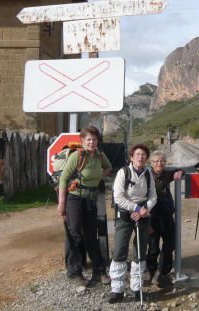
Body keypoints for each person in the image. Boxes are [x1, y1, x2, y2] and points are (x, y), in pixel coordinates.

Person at [57, 126, 112, 287]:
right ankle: (74, 272)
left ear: (98, 141)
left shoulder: (100, 156)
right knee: (74, 233)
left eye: (94, 139)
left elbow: (108, 167)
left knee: (90, 235)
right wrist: (62, 203)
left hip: (91, 201)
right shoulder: (77, 156)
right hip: (75, 199)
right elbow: (63, 178)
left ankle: (99, 270)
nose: (92, 142)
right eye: (88, 139)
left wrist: (98, 177)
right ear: (82, 141)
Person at [108, 144, 157, 303]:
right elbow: (118, 197)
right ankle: (117, 290)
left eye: (143, 154)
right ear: (131, 157)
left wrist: (144, 210)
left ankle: (137, 288)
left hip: (142, 215)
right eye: (137, 154)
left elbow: (153, 196)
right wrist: (135, 208)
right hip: (124, 215)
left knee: (140, 251)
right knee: (119, 251)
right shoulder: (124, 172)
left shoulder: (148, 173)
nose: (141, 157)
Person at [146, 150, 184, 287]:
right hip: (152, 218)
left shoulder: (167, 173)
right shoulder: (146, 175)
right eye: (156, 161)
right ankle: (152, 272)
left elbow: (181, 170)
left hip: (167, 217)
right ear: (151, 163)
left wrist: (180, 172)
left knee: (169, 245)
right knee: (153, 248)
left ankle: (162, 273)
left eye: (162, 161)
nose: (159, 163)